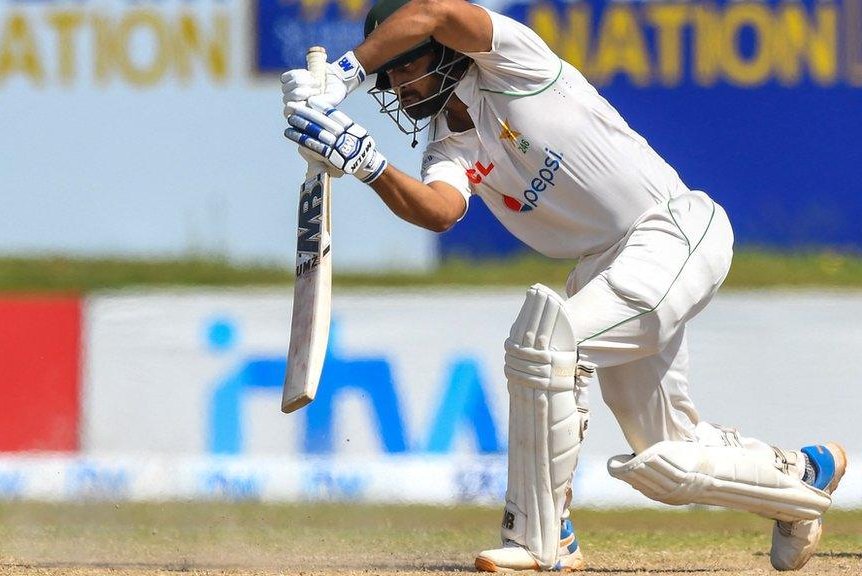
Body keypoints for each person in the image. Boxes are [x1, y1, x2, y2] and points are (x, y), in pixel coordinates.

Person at [279, 0, 847, 571]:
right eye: (389, 76)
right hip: (605, 266)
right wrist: (366, 162)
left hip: (671, 229)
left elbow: (430, 11)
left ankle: (541, 538)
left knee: (547, 341)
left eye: (405, 67)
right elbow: (440, 211)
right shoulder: (448, 147)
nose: (398, 86)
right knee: (666, 461)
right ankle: (800, 475)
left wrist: (345, 73)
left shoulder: (513, 65)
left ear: (447, 54)